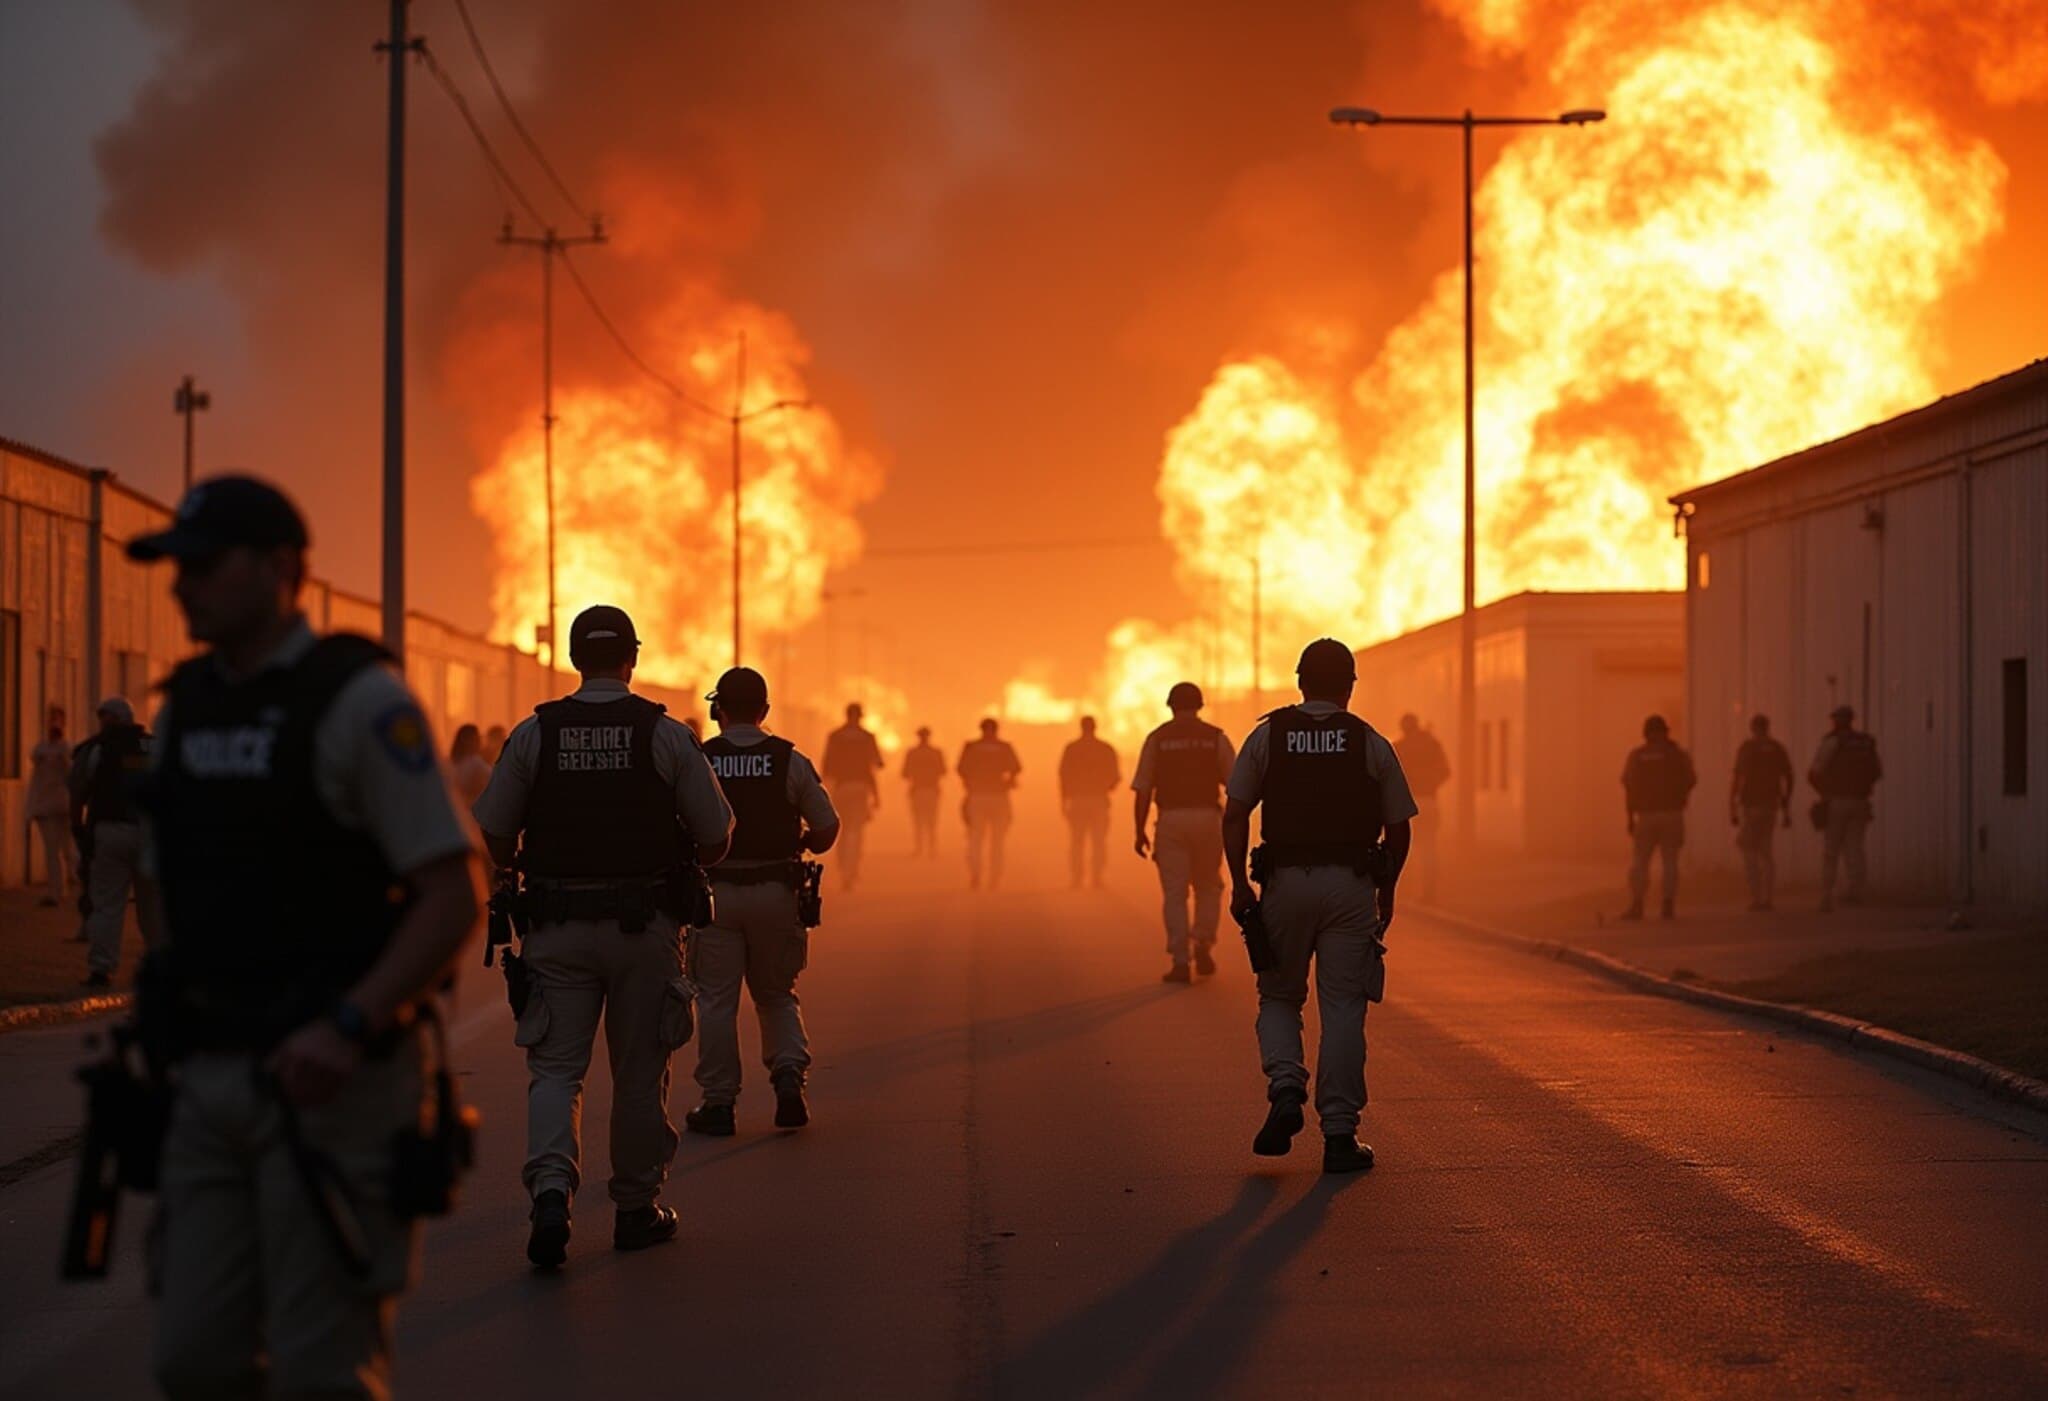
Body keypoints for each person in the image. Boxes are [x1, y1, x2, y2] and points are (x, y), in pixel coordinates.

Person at [125, 475, 482, 1399]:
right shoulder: (185, 710)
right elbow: (165, 885)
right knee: (193, 1359)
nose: (182, 585)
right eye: (175, 567)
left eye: (205, 564)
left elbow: (451, 893)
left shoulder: (358, 703)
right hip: (210, 1079)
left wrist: (352, 1021)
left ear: (281, 567)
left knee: (322, 1370)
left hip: (336, 1084)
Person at [472, 604, 733, 1269]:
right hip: (645, 930)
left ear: (573, 658)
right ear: (632, 659)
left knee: (556, 1069)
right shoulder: (665, 734)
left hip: (555, 928)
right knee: (640, 1071)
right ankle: (636, 1208)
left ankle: (551, 1193)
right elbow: (715, 835)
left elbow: (494, 830)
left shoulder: (535, 733)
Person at [1223, 639, 1414, 1175]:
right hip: (1351, 888)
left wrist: (1238, 885)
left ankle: (1286, 1086)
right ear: (1349, 687)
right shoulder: (1369, 741)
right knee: (1344, 1007)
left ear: (1300, 682)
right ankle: (1339, 1135)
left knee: (1279, 995)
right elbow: (1399, 825)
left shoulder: (1267, 735)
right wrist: (1387, 888)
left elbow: (1235, 813)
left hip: (1284, 884)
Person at [686, 667, 840, 1136]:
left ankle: (718, 1103)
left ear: (718, 711)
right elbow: (827, 828)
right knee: (776, 994)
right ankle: (789, 1074)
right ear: (765, 710)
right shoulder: (789, 759)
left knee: (716, 1001)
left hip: (715, 897)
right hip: (776, 892)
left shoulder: (700, 759)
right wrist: (800, 842)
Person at [1132, 683, 1235, 982]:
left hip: (1171, 820)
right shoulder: (1216, 737)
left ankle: (1180, 960)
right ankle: (1202, 942)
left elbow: (1143, 789)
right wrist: (1232, 826)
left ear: (1171, 706)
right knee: (1208, 886)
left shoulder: (1157, 739)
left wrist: (1139, 831)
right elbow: (1236, 785)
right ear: (1200, 705)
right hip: (1208, 818)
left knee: (1175, 893)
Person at [69, 695, 163, 988]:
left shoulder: (97, 748)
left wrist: (77, 827)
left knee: (107, 905)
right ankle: (161, 967)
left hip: (110, 832)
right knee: (153, 907)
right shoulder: (154, 745)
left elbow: (78, 790)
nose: (102, 723)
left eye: (104, 718)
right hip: (149, 835)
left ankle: (101, 969)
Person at [1620, 714, 1696, 921]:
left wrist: (1629, 817)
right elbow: (1691, 780)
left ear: (1646, 734)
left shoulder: (1637, 756)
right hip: (1672, 814)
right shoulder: (1678, 755)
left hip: (1645, 815)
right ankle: (1668, 904)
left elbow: (1629, 788)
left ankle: (1637, 904)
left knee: (1640, 862)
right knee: (1670, 861)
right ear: (1665, 732)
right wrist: (1680, 798)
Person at [1809, 704, 1881, 912]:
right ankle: (1855, 892)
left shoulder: (1833, 741)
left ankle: (1826, 895)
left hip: (1837, 801)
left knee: (1831, 850)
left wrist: (1824, 793)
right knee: (1855, 847)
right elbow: (1876, 772)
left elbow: (1814, 773)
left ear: (1836, 721)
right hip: (1860, 801)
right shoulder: (1866, 742)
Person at [1729, 713, 1793, 911]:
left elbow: (1738, 778)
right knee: (1766, 852)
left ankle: (1756, 897)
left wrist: (1732, 806)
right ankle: (1768, 898)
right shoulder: (1777, 748)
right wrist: (1786, 807)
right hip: (1771, 805)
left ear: (1752, 728)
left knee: (1748, 850)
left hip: (1751, 805)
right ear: (1767, 727)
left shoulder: (1747, 748)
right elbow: (1788, 777)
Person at [821, 702, 884, 890]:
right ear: (860, 716)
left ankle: (843, 867)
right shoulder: (867, 737)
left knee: (842, 828)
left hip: (841, 787)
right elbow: (878, 764)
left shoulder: (835, 736)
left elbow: (826, 767)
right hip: (861, 788)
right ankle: (853, 869)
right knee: (857, 830)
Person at [958, 718, 1022, 889]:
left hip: (977, 795)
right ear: (996, 730)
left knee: (975, 838)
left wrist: (970, 782)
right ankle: (995, 877)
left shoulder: (971, 747)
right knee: (998, 840)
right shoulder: (1004, 747)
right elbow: (1016, 768)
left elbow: (961, 769)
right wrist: (1009, 780)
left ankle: (976, 874)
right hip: (999, 796)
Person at [1392, 714, 1450, 902]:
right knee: (1429, 848)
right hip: (1429, 800)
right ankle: (1428, 892)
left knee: (1404, 847)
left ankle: (1404, 892)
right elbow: (1445, 771)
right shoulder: (1431, 745)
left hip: (1406, 803)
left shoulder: (1399, 747)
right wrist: (1430, 783)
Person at [1058, 716, 1121, 889]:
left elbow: (1063, 776)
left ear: (1081, 727)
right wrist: (1106, 788)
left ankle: (1077, 878)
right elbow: (1115, 776)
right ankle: (1096, 878)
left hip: (1077, 800)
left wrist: (1064, 800)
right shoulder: (1106, 749)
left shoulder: (1072, 748)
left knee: (1077, 841)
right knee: (1098, 840)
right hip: (1099, 799)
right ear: (1095, 727)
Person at [26, 708, 74, 907]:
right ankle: (56, 891)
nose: (53, 724)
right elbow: (36, 775)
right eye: (51, 720)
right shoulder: (41, 749)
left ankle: (79, 886)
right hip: (45, 807)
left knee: (69, 850)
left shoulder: (67, 748)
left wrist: (63, 758)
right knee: (51, 850)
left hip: (64, 805)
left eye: (57, 720)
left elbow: (71, 773)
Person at [902, 726, 947, 856]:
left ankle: (919, 848)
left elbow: (905, 773)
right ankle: (932, 849)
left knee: (918, 820)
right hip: (932, 789)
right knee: (932, 820)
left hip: (917, 789)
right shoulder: (936, 753)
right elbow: (943, 771)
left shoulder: (912, 753)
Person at [448, 723, 493, 807]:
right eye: (478, 737)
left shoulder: (449, 763)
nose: (480, 741)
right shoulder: (475, 763)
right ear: (471, 740)